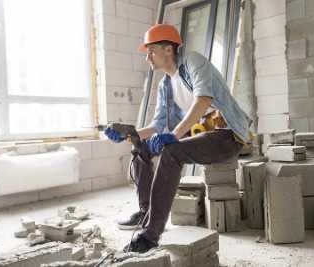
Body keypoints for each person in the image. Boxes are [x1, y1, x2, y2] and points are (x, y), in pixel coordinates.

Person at [105, 24, 252, 253]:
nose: (148, 58)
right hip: (201, 134)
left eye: (151, 51)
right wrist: (130, 135)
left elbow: (202, 99)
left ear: (168, 50)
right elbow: (156, 125)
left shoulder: (193, 61)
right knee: (140, 149)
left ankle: (150, 235)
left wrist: (173, 136)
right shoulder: (165, 84)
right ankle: (146, 213)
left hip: (227, 135)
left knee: (172, 151)